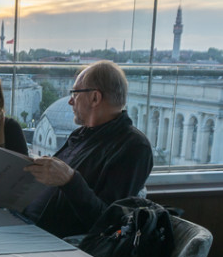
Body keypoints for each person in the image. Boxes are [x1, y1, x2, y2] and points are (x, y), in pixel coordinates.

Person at [23, 60, 153, 238]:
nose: (70, 101)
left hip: (57, 244)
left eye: (75, 93)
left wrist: (70, 180)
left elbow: (108, 223)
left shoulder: (134, 148)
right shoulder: (82, 135)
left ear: (95, 98)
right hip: (27, 224)